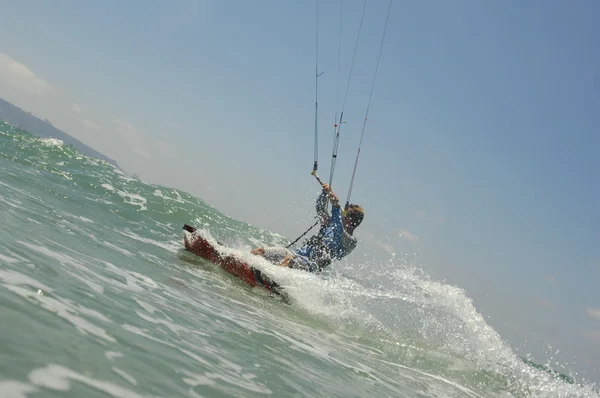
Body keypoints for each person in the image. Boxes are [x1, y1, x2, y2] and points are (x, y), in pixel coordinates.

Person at [251, 182, 364, 272]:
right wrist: (324, 194)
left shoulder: (350, 241)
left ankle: (270, 276)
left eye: (344, 215)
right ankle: (246, 262)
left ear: (351, 221)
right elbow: (320, 209)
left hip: (309, 266)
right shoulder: (332, 223)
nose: (341, 215)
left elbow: (338, 230)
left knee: (289, 261)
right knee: (261, 251)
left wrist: (335, 206)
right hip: (296, 254)